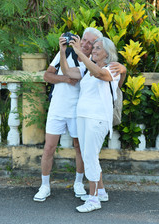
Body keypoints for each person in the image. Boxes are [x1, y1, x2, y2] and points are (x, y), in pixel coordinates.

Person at [33, 27, 126, 203]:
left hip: (88, 115)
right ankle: (47, 186)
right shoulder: (77, 59)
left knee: (84, 152)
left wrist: (124, 69)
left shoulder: (102, 65)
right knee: (57, 149)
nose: (85, 44)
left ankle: (86, 191)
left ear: (101, 50)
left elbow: (105, 76)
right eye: (84, 40)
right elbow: (57, 74)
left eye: (92, 44)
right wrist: (64, 56)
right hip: (68, 111)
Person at [59, 35, 124, 212]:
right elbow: (67, 72)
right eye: (93, 47)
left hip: (97, 118)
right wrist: (63, 52)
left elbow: (99, 74)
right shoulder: (86, 69)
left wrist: (80, 51)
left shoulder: (113, 68)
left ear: (107, 54)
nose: (93, 50)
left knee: (90, 157)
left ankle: (94, 200)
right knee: (90, 155)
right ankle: (100, 192)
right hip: (84, 117)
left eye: (97, 48)